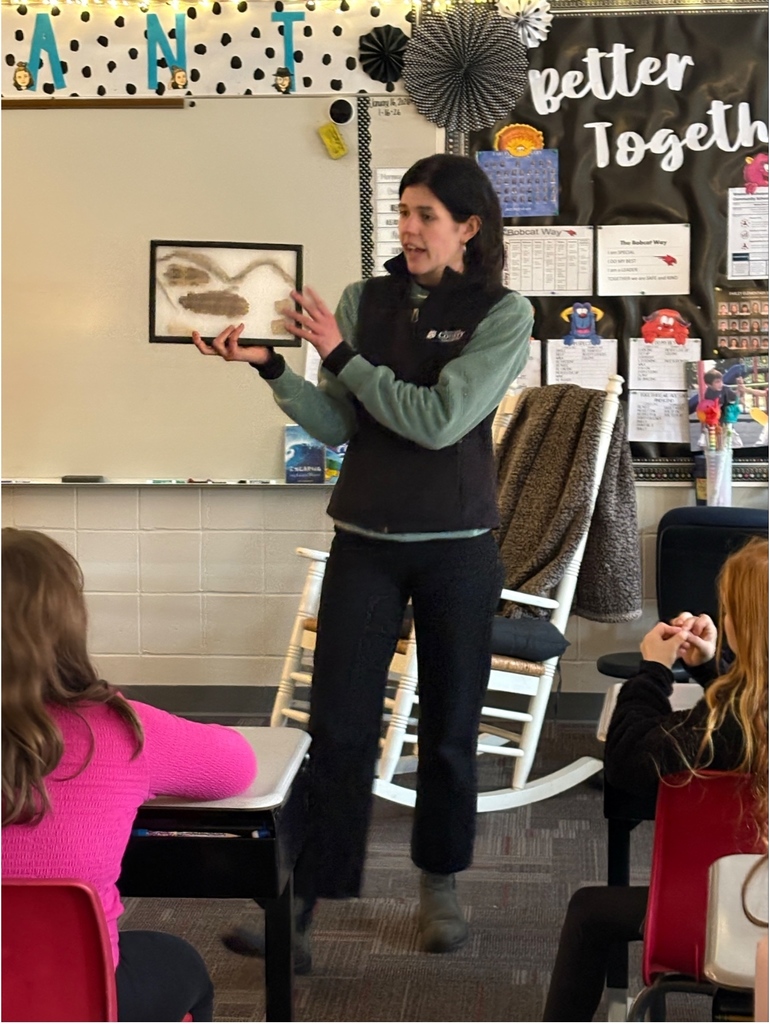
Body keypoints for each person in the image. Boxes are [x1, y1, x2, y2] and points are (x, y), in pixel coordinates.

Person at [191, 153, 533, 967]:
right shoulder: (361, 302)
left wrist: (342, 355)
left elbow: (440, 420)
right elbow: (341, 426)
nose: (408, 229)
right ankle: (303, 906)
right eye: (403, 212)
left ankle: (440, 884)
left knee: (449, 733)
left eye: (426, 215)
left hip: (457, 552)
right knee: (338, 732)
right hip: (367, 547)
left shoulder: (504, 314)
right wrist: (273, 368)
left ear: (468, 226)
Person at [2, 528, 258, 1022]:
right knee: (179, 962)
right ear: (70, 622)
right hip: (76, 999)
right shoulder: (121, 729)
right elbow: (238, 766)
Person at [542, 536, 768, 1021]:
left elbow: (629, 765)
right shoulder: (743, 713)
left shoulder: (725, 720)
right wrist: (712, 670)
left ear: (742, 626)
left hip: (738, 918)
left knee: (590, 910)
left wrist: (652, 672)